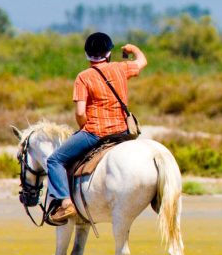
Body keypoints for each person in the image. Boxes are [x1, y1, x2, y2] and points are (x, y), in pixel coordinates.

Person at [45, 32, 147, 224]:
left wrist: (85, 129)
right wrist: (132, 49)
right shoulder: (120, 68)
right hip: (123, 132)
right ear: (108, 53)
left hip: (96, 132)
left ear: (87, 55)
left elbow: (80, 113)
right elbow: (141, 61)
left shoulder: (83, 77)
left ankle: (66, 203)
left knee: (55, 160)